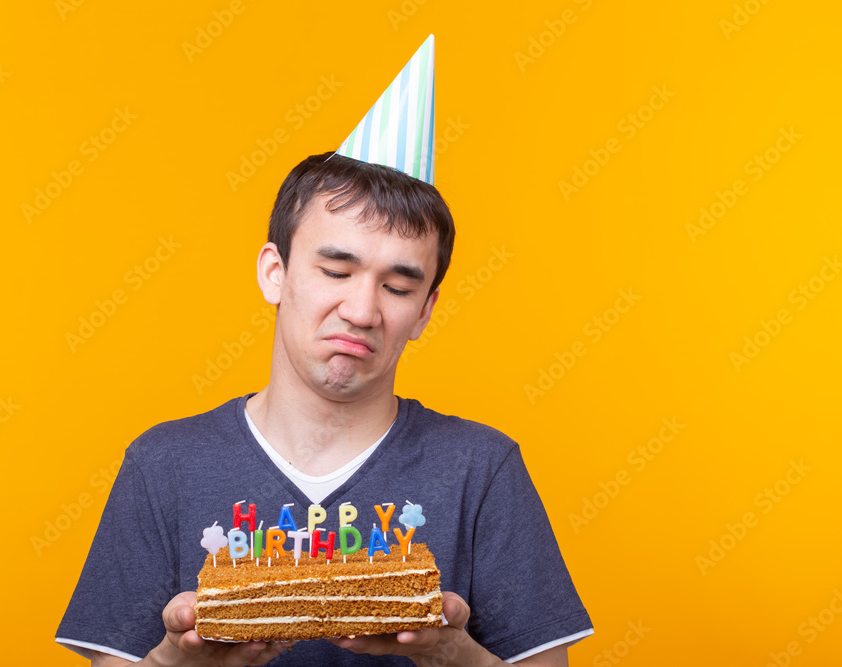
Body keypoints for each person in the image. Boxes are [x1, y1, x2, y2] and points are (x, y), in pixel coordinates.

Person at [57, 36, 592, 666]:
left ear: (424, 311)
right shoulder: (162, 466)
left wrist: (453, 654)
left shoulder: (482, 470)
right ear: (274, 273)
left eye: (398, 286)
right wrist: (180, 661)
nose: (363, 311)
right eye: (336, 271)